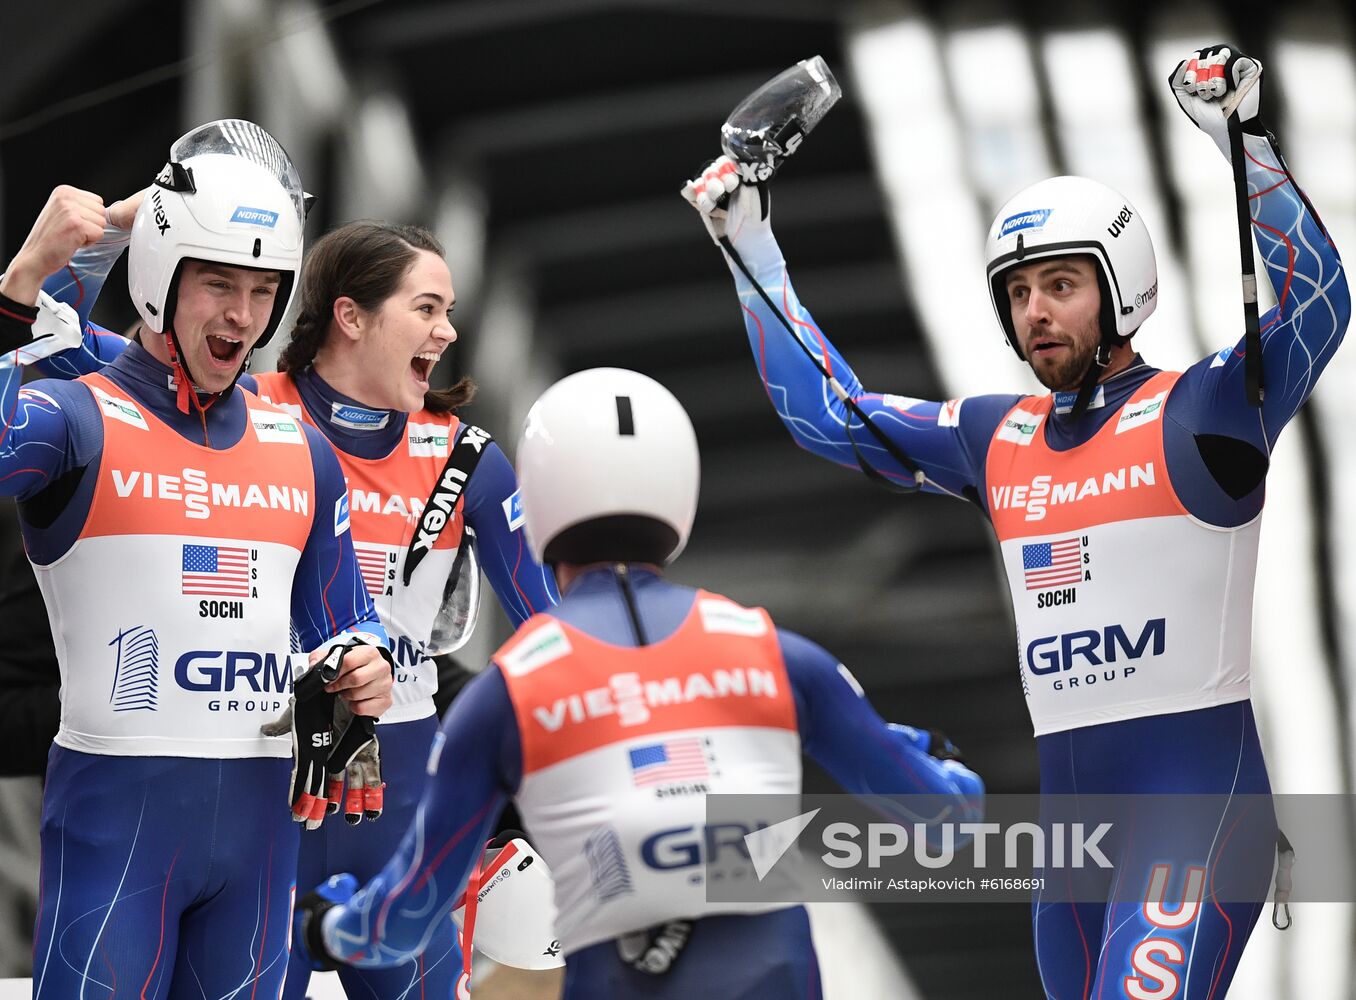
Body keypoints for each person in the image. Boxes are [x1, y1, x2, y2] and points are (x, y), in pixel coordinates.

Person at [681, 45, 1349, 998]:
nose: (1036, 312)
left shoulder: (1206, 408)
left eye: (1062, 286)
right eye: (1019, 294)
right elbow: (826, 415)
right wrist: (749, 245)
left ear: (1122, 286)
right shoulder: (999, 435)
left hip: (1195, 816)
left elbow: (1319, 309)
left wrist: (1243, 139)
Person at [289, 366, 983, 997]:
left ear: (537, 504)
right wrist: (947, 764)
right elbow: (946, 820)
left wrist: (330, 926)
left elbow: (407, 919)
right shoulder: (779, 654)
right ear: (681, 493)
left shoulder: (508, 693)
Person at [41, 219, 560, 999]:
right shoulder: (241, 407)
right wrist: (102, 239)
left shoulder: (466, 459)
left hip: (399, 812)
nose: (448, 331)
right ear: (350, 316)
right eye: (427, 308)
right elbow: (62, 342)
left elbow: (556, 642)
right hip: (259, 805)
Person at [0, 120, 395, 999]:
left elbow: (347, 621)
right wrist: (24, 281)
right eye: (217, 282)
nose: (241, 316)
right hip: (118, 836)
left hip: (260, 845)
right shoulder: (77, 415)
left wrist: (365, 664)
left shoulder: (305, 447)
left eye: (263, 290)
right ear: (156, 279)